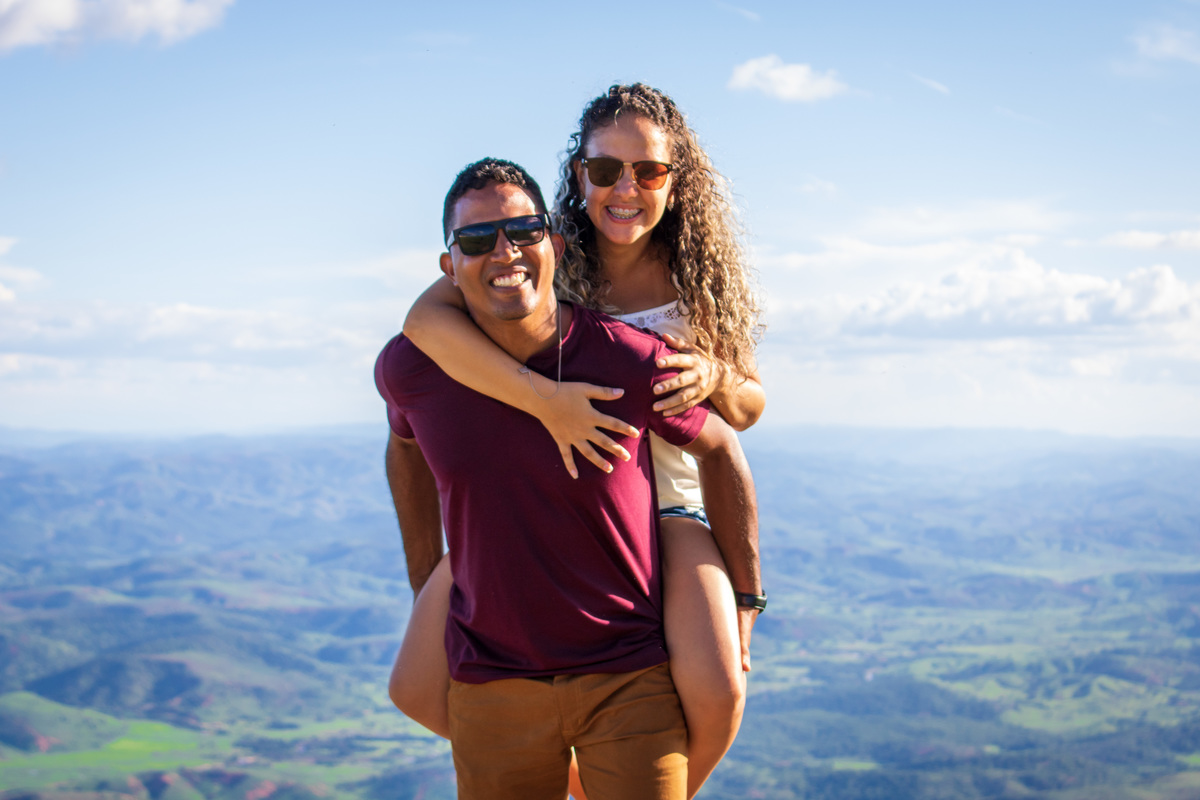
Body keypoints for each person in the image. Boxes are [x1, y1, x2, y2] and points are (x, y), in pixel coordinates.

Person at [392, 84, 766, 798]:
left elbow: (744, 413)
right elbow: (425, 322)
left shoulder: (699, 280)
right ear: (578, 175)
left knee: (719, 689)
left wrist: (716, 374)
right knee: (412, 687)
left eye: (648, 171)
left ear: (675, 181)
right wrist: (547, 402)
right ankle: (569, 767)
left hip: (666, 500)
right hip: (558, 492)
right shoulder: (545, 257)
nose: (625, 189)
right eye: (605, 170)